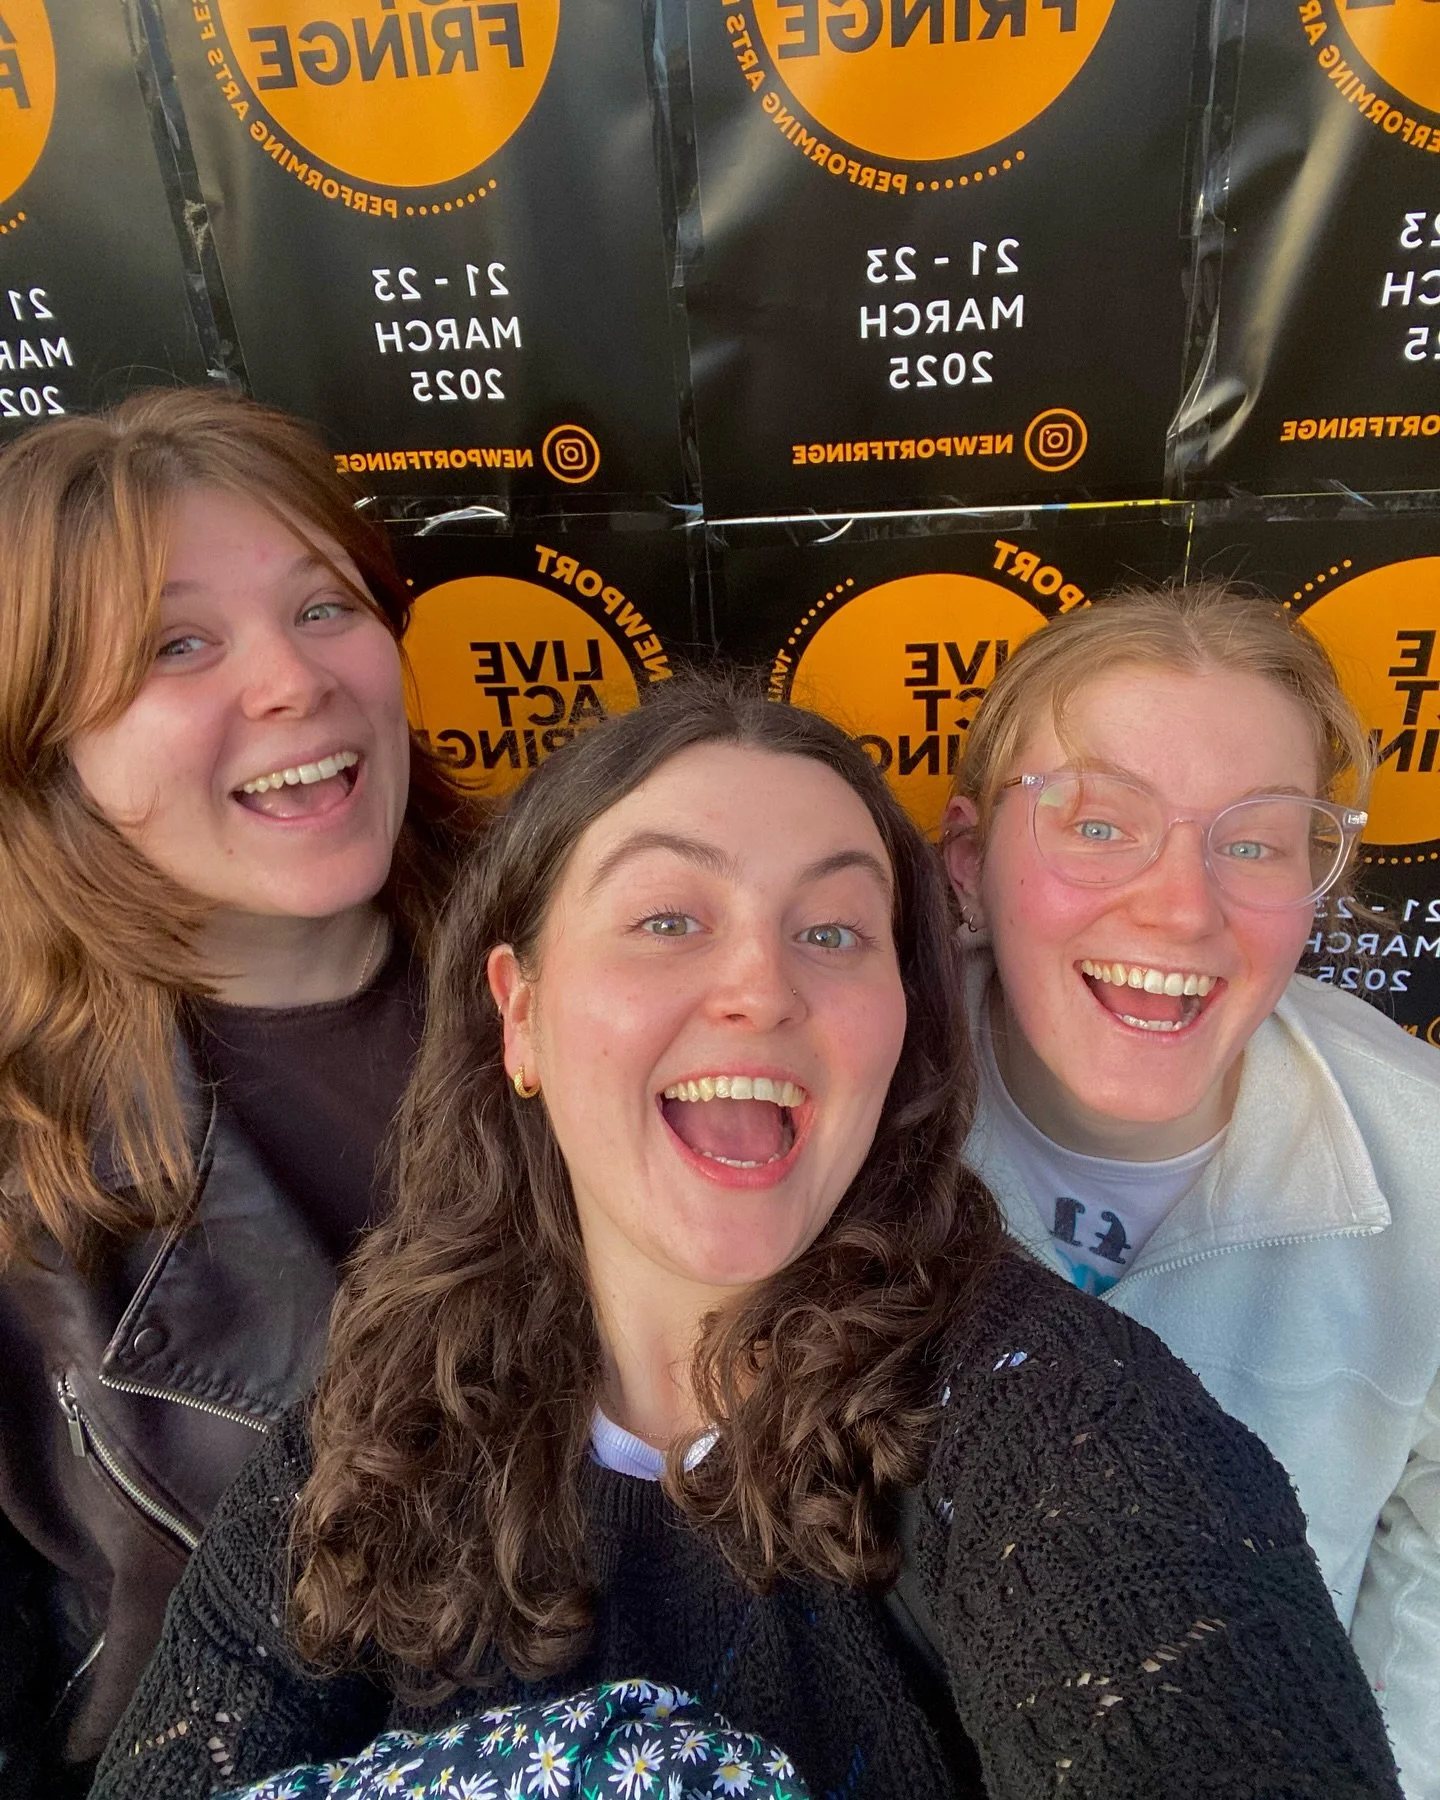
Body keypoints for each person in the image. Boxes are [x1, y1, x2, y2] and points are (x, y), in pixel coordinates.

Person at [93, 674, 1401, 1799]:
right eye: (668, 919)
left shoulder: (1067, 1422)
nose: (762, 987)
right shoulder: (384, 1419)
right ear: (521, 1013)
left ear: (900, 1025)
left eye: (833, 932)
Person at [0, 388, 482, 1797]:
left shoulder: (602, 972)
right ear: (45, 741)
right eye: (178, 646)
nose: (291, 680)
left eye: (326, 607)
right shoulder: (20, 1169)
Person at [940, 584, 1440, 1798]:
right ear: (969, 863)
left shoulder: (1424, 1158)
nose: (1179, 906)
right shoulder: (831, 1118)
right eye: (1099, 824)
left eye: (1256, 842)